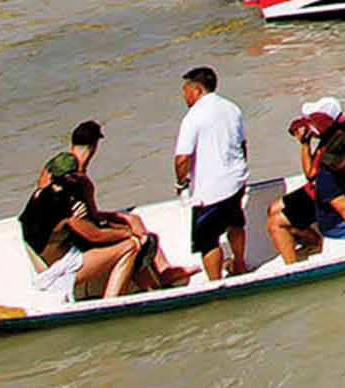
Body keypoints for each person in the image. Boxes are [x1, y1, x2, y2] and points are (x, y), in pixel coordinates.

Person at [19, 153, 186, 300]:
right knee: (131, 247)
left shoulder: (40, 193)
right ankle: (111, 300)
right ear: (72, 177)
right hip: (58, 270)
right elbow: (95, 235)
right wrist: (127, 234)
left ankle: (150, 285)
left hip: (42, 261)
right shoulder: (65, 203)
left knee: (128, 239)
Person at [172, 66, 248, 282]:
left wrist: (180, 182)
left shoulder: (193, 117)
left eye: (185, 90)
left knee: (208, 239)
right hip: (235, 179)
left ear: (196, 90)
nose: (184, 96)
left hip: (210, 189)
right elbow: (242, 144)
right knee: (235, 221)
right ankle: (240, 265)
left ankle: (215, 282)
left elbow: (182, 158)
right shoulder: (232, 108)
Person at [265, 185, 325, 266]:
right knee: (273, 208)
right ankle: (314, 242)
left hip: (327, 191)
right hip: (315, 187)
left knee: (276, 222)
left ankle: (292, 269)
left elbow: (311, 174)